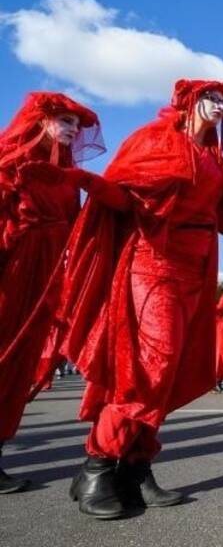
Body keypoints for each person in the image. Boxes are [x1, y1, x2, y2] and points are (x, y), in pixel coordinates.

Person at [37, 79, 223, 519]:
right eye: (211, 98)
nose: (220, 106)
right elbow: (122, 196)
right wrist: (84, 178)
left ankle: (136, 467)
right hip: (152, 263)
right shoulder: (154, 141)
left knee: (170, 370)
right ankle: (97, 465)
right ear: (188, 101)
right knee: (149, 367)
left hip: (194, 272)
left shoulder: (216, 161)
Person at [0, 92, 104, 494]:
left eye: (76, 124)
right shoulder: (11, 163)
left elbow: (79, 228)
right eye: (64, 119)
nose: (73, 128)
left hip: (46, 276)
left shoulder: (68, 176)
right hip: (13, 268)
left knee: (19, 363)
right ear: (40, 121)